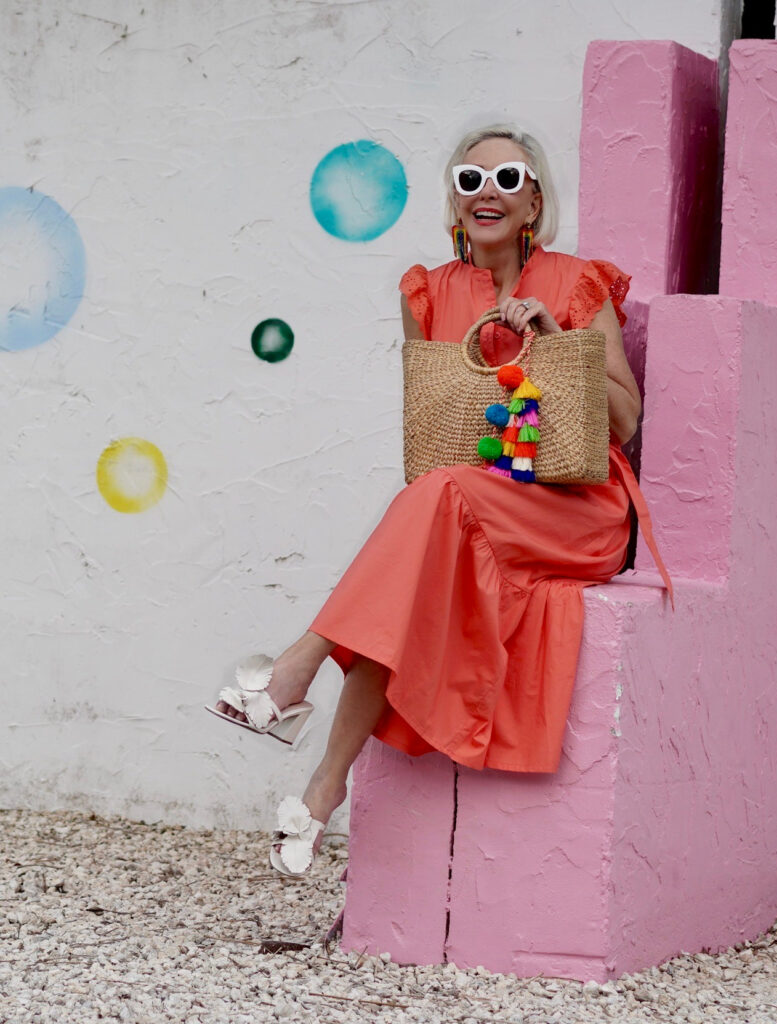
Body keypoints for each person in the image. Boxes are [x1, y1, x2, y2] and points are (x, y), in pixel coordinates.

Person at [207, 123, 668, 877]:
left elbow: (626, 420)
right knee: (420, 543)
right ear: (454, 201)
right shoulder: (429, 292)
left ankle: (294, 673)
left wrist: (552, 342)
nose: (488, 192)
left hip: (576, 509)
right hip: (475, 496)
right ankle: (324, 791)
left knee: (435, 499)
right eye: (470, 179)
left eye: (508, 179)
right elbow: (433, 429)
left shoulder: (578, 282)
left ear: (534, 203)